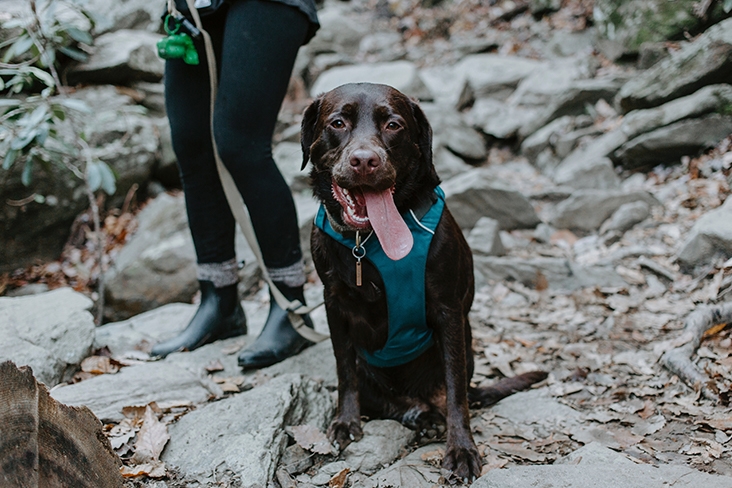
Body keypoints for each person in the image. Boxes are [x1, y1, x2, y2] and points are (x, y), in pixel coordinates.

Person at [151, 0, 320, 370]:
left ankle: (290, 308)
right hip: (192, 7)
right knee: (193, 147)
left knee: (240, 145)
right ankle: (220, 302)